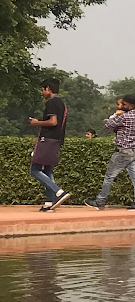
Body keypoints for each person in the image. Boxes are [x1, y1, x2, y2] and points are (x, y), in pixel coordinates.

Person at [89, 94, 135, 210]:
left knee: (109, 176)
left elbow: (108, 125)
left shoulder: (124, 116)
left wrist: (113, 117)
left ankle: (100, 201)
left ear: (131, 106)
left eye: (124, 104)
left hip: (122, 151)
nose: (121, 106)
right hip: (133, 151)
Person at [27, 77, 70, 212]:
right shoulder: (61, 103)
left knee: (34, 170)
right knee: (47, 170)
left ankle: (58, 192)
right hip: (56, 140)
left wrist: (36, 123)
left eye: (42, 89)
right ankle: (49, 202)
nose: (42, 92)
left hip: (47, 139)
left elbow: (52, 122)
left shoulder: (51, 102)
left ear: (48, 89)